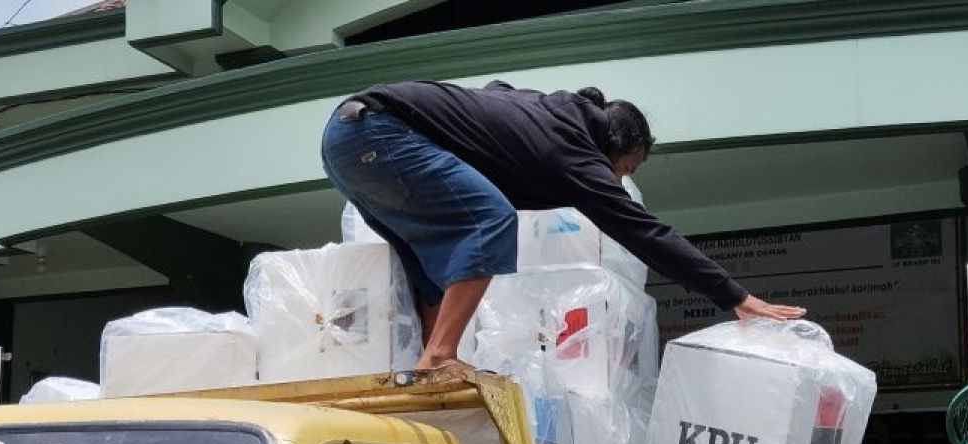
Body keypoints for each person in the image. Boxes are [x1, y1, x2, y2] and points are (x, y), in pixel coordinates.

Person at [321, 80, 807, 370]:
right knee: (491, 220)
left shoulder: (546, 111)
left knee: (430, 263)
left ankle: (428, 362)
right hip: (382, 135)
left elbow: (496, 90)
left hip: (344, 142)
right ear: (615, 147)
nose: (618, 180)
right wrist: (734, 297)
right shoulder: (575, 154)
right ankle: (442, 354)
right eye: (626, 169)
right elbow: (645, 233)